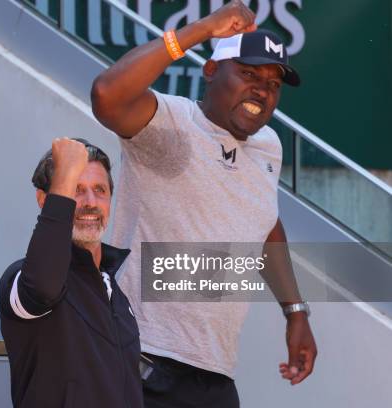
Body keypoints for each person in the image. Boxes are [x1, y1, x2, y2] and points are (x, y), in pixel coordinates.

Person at [91, 1, 317, 406]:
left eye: (273, 83)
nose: (262, 90)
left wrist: (295, 311)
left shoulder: (269, 147)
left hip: (215, 372)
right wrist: (204, 28)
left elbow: (265, 224)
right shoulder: (173, 123)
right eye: (248, 73)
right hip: (143, 359)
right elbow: (108, 94)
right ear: (211, 71)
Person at [0, 138, 142, 408]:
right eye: (76, 189)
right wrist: (63, 177)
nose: (90, 202)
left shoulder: (116, 293)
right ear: (44, 199)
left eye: (100, 190)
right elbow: (42, 287)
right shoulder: (21, 278)